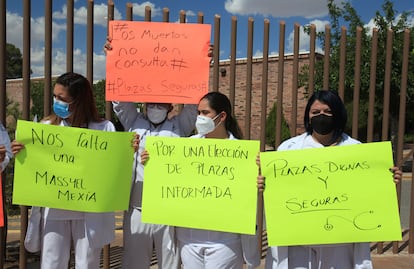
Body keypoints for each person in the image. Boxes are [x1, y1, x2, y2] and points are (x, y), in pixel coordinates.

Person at [256, 89, 403, 269]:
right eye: (315, 112)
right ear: (308, 116)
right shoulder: (289, 149)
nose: (321, 116)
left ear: (337, 114)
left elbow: (369, 192)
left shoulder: (356, 150)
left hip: (341, 247)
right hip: (299, 247)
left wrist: (387, 179)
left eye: (327, 112)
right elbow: (276, 192)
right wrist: (265, 184)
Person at [104, 38, 213, 269]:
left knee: (170, 262)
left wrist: (204, 64)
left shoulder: (179, 127)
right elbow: (120, 101)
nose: (155, 107)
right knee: (134, 262)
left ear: (170, 106)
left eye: (161, 104)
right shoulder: (134, 121)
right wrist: (114, 60)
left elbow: (194, 105)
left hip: (167, 208)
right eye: (151, 103)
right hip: (136, 207)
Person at [11, 72, 135, 269]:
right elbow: (34, 165)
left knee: (87, 263)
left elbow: (115, 169)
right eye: (55, 96)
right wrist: (22, 152)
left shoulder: (103, 129)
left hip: (88, 211)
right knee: (51, 262)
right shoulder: (44, 128)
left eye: (62, 98)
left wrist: (127, 152)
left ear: (79, 102)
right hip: (54, 209)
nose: (56, 101)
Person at [141, 92, 261, 269]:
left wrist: (257, 179)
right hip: (189, 239)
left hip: (225, 240)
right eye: (198, 113)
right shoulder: (187, 146)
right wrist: (151, 164)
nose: (200, 118)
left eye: (205, 113)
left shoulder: (242, 153)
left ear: (222, 116)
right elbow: (170, 178)